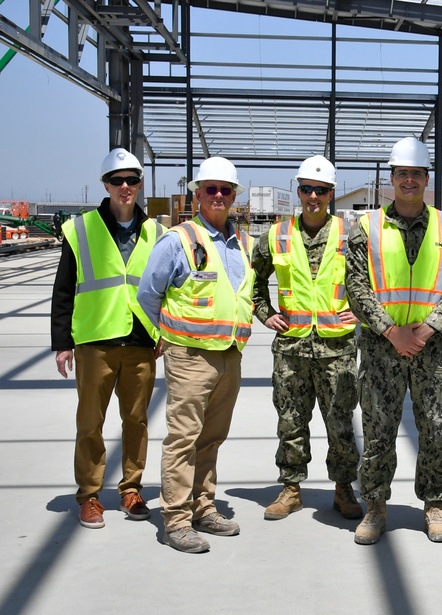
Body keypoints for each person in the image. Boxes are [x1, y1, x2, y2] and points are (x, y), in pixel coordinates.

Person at [345, 137, 442, 545]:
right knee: (379, 430)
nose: (409, 180)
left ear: (426, 178)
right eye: (402, 174)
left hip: (434, 349)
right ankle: (376, 506)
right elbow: (356, 285)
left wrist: (429, 327)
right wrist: (391, 331)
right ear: (392, 178)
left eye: (416, 173)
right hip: (384, 347)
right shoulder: (366, 227)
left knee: (436, 429)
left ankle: (434, 504)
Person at [137, 156, 254, 554]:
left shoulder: (243, 243)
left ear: (234, 195)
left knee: (212, 438)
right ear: (197, 194)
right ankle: (175, 519)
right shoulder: (178, 239)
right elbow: (148, 294)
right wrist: (167, 335)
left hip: (229, 355)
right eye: (210, 189)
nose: (218, 196)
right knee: (184, 438)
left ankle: (204, 507)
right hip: (190, 356)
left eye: (225, 189)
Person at [51, 148, 164, 529]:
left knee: (136, 423)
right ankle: (89, 495)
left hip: (139, 343)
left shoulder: (157, 233)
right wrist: (62, 343)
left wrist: (163, 331)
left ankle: (131, 490)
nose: (125, 187)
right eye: (118, 180)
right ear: (106, 185)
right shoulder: (81, 229)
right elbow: (63, 289)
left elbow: (166, 289)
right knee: (90, 424)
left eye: (132, 180)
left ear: (139, 184)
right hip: (95, 343)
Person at [252, 156, 361, 521]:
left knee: (340, 421)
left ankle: (344, 488)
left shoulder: (351, 235)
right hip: (292, 346)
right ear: (298, 191)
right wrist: (266, 314)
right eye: (306, 189)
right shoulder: (276, 235)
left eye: (321, 190)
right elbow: (252, 282)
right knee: (291, 419)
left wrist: (361, 312)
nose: (313, 196)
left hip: (337, 347)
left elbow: (374, 281)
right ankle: (291, 487)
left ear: (332, 193)